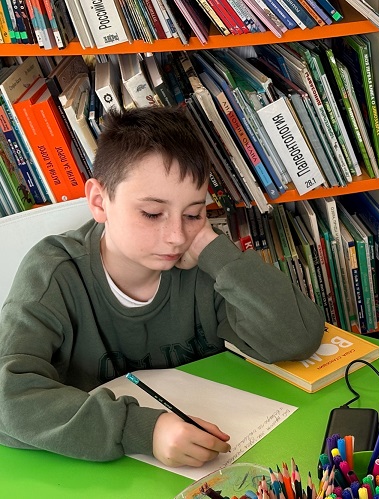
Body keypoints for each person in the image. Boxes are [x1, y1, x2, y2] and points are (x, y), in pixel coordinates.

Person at [0, 106, 325, 466]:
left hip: (212, 455)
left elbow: (297, 338)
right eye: (152, 214)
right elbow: (6, 399)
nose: (176, 237)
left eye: (193, 214)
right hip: (95, 470)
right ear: (99, 202)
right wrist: (143, 431)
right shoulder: (53, 273)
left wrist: (212, 249)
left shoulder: (204, 262)